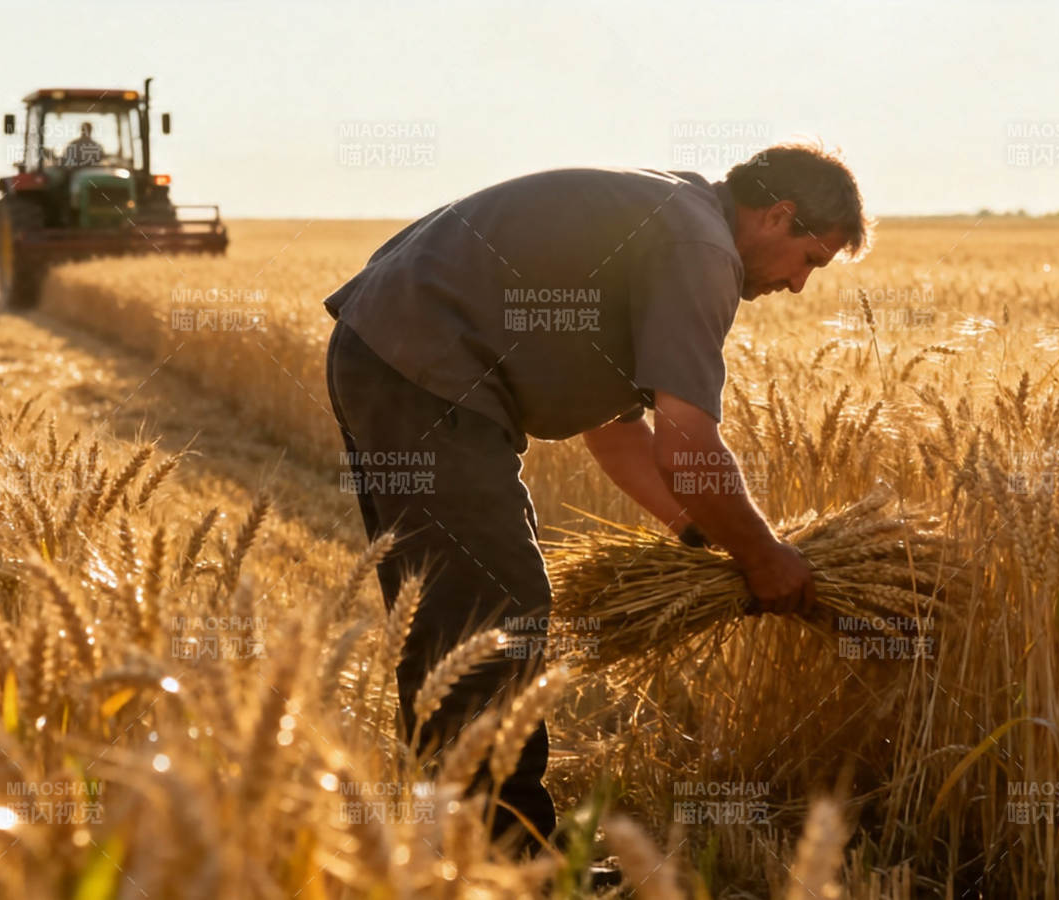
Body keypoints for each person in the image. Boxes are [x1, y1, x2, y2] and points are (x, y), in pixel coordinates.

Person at [322, 142, 872, 857]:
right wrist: (764, 557)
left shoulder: (673, 217)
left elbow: (614, 431)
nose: (799, 285)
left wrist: (703, 543)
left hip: (390, 350)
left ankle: (452, 848)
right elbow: (689, 447)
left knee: (455, 612)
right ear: (778, 215)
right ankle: (508, 860)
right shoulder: (701, 247)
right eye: (811, 260)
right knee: (494, 613)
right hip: (422, 366)